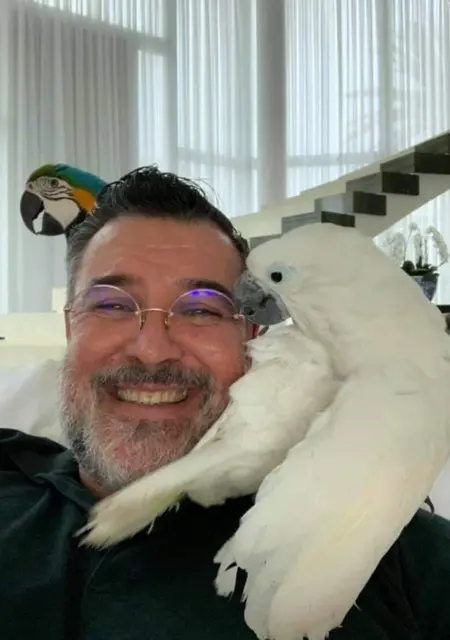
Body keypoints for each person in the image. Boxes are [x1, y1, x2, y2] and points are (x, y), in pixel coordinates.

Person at [2, 166, 450, 640]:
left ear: (251, 336)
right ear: (70, 327)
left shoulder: (394, 546)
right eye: (111, 305)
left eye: (200, 309)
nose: (152, 349)